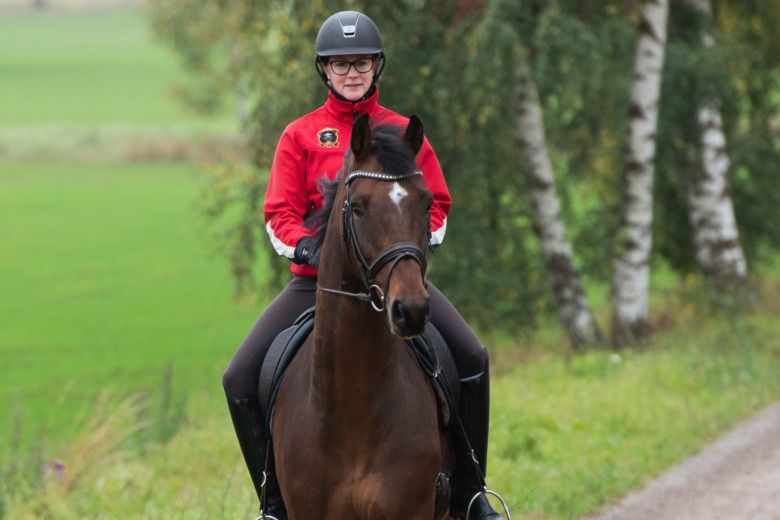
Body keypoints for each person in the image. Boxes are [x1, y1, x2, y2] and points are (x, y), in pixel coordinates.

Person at [222, 10, 504, 520]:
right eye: (341, 64)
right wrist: (305, 249)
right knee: (238, 377)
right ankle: (273, 502)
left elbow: (436, 203)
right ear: (324, 70)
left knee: (472, 358)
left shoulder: (403, 133)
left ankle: (471, 490)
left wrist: (410, 251)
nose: (352, 72)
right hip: (316, 286)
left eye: (362, 62)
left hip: (393, 279)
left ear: (377, 66)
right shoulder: (300, 135)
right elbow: (279, 213)